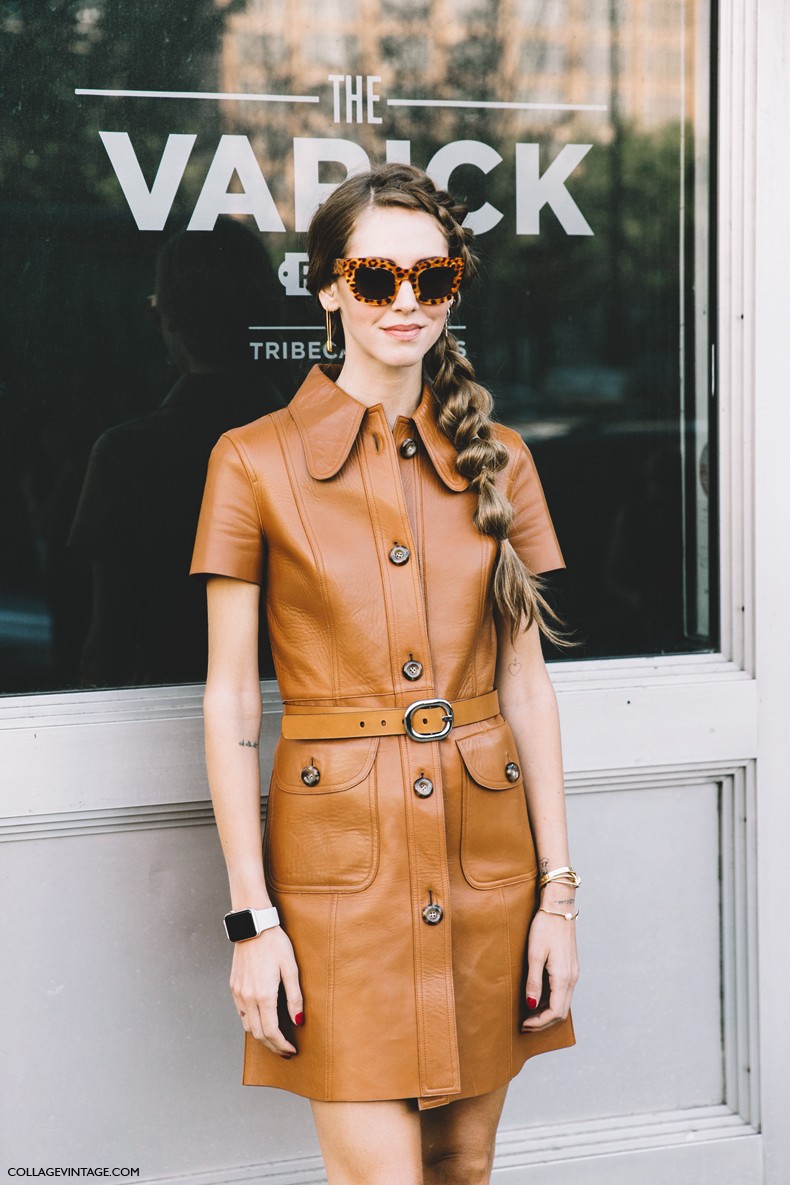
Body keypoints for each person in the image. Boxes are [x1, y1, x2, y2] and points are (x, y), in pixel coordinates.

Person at [190, 163, 579, 1185]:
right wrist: (252, 921)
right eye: (375, 280)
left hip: (486, 872)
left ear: (452, 286)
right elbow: (232, 702)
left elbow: (529, 689)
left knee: (465, 1167)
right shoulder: (252, 461)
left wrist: (558, 899)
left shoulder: (500, 458)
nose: (405, 302)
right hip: (337, 890)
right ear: (326, 288)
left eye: (431, 277)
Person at [70, 218, 283, 686]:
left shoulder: (125, 457)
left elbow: (108, 642)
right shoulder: (322, 442)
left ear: (165, 319)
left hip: (161, 716)